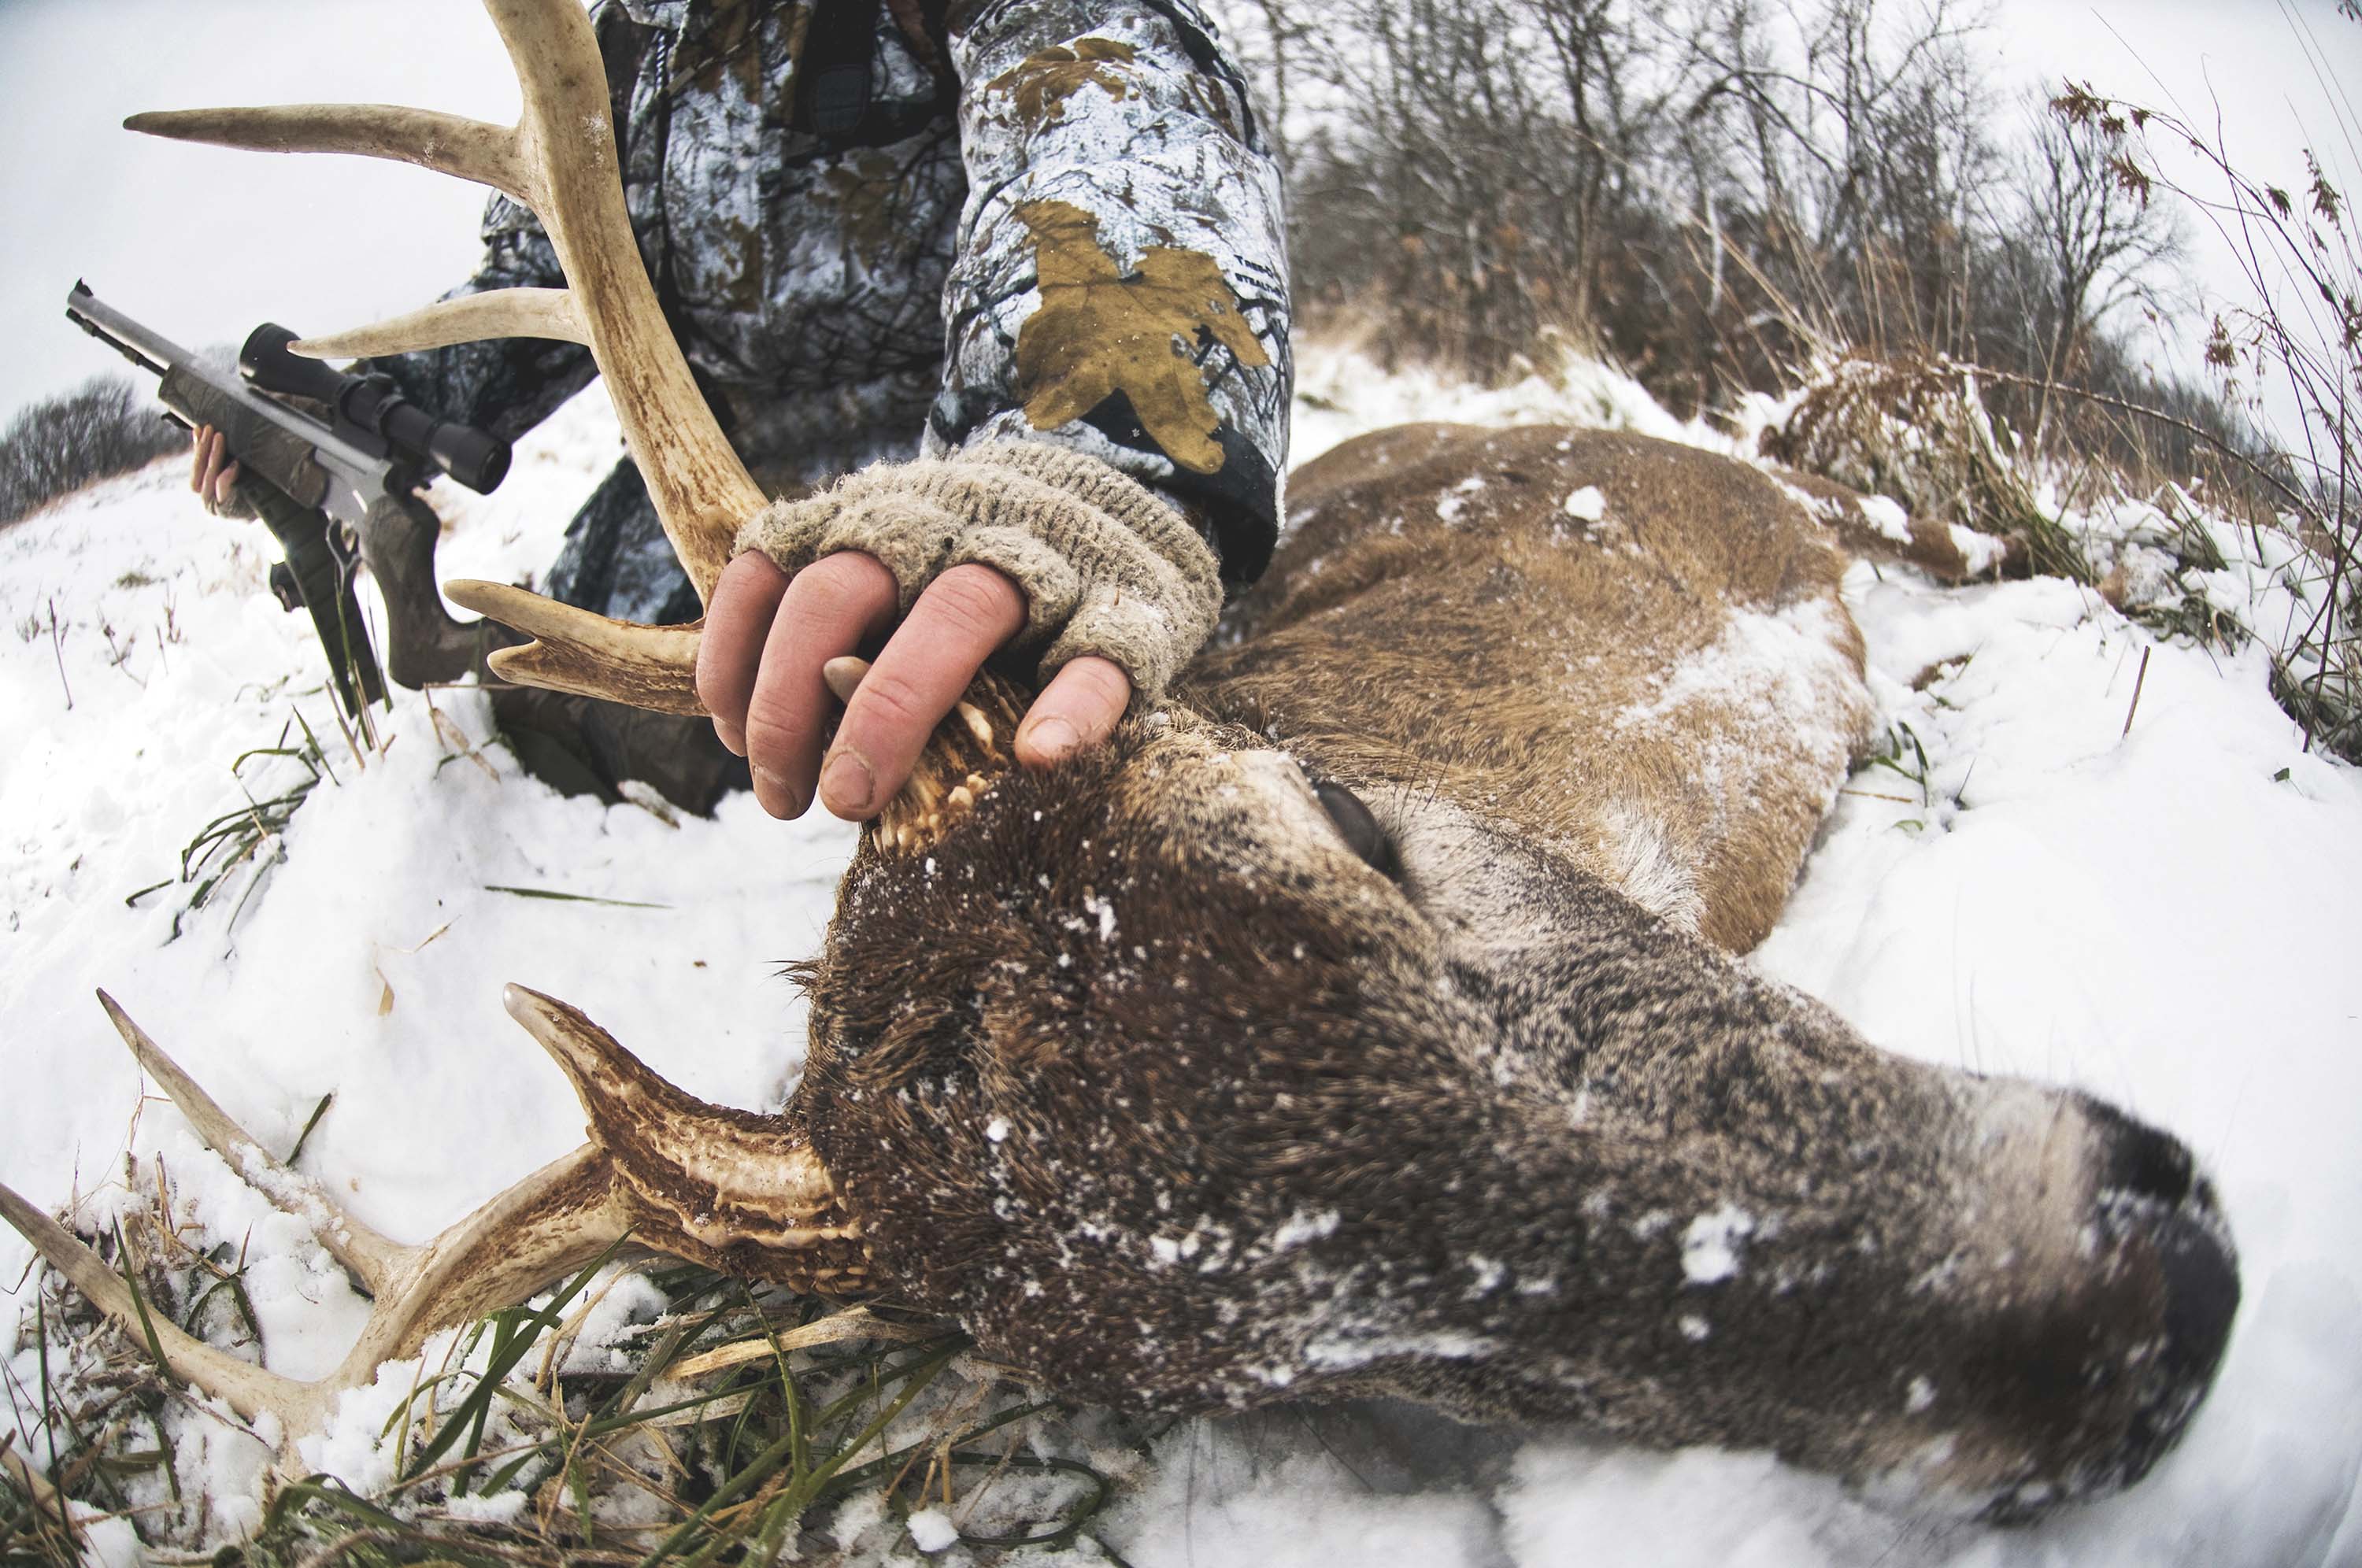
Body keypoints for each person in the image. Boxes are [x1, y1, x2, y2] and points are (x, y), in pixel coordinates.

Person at [196, 0, 1290, 822]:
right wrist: (357, 410)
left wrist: (1083, 461)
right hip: (680, 534)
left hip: (951, 525)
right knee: (551, 732)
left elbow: (1116, 128)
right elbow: (533, 290)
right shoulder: (620, 47)